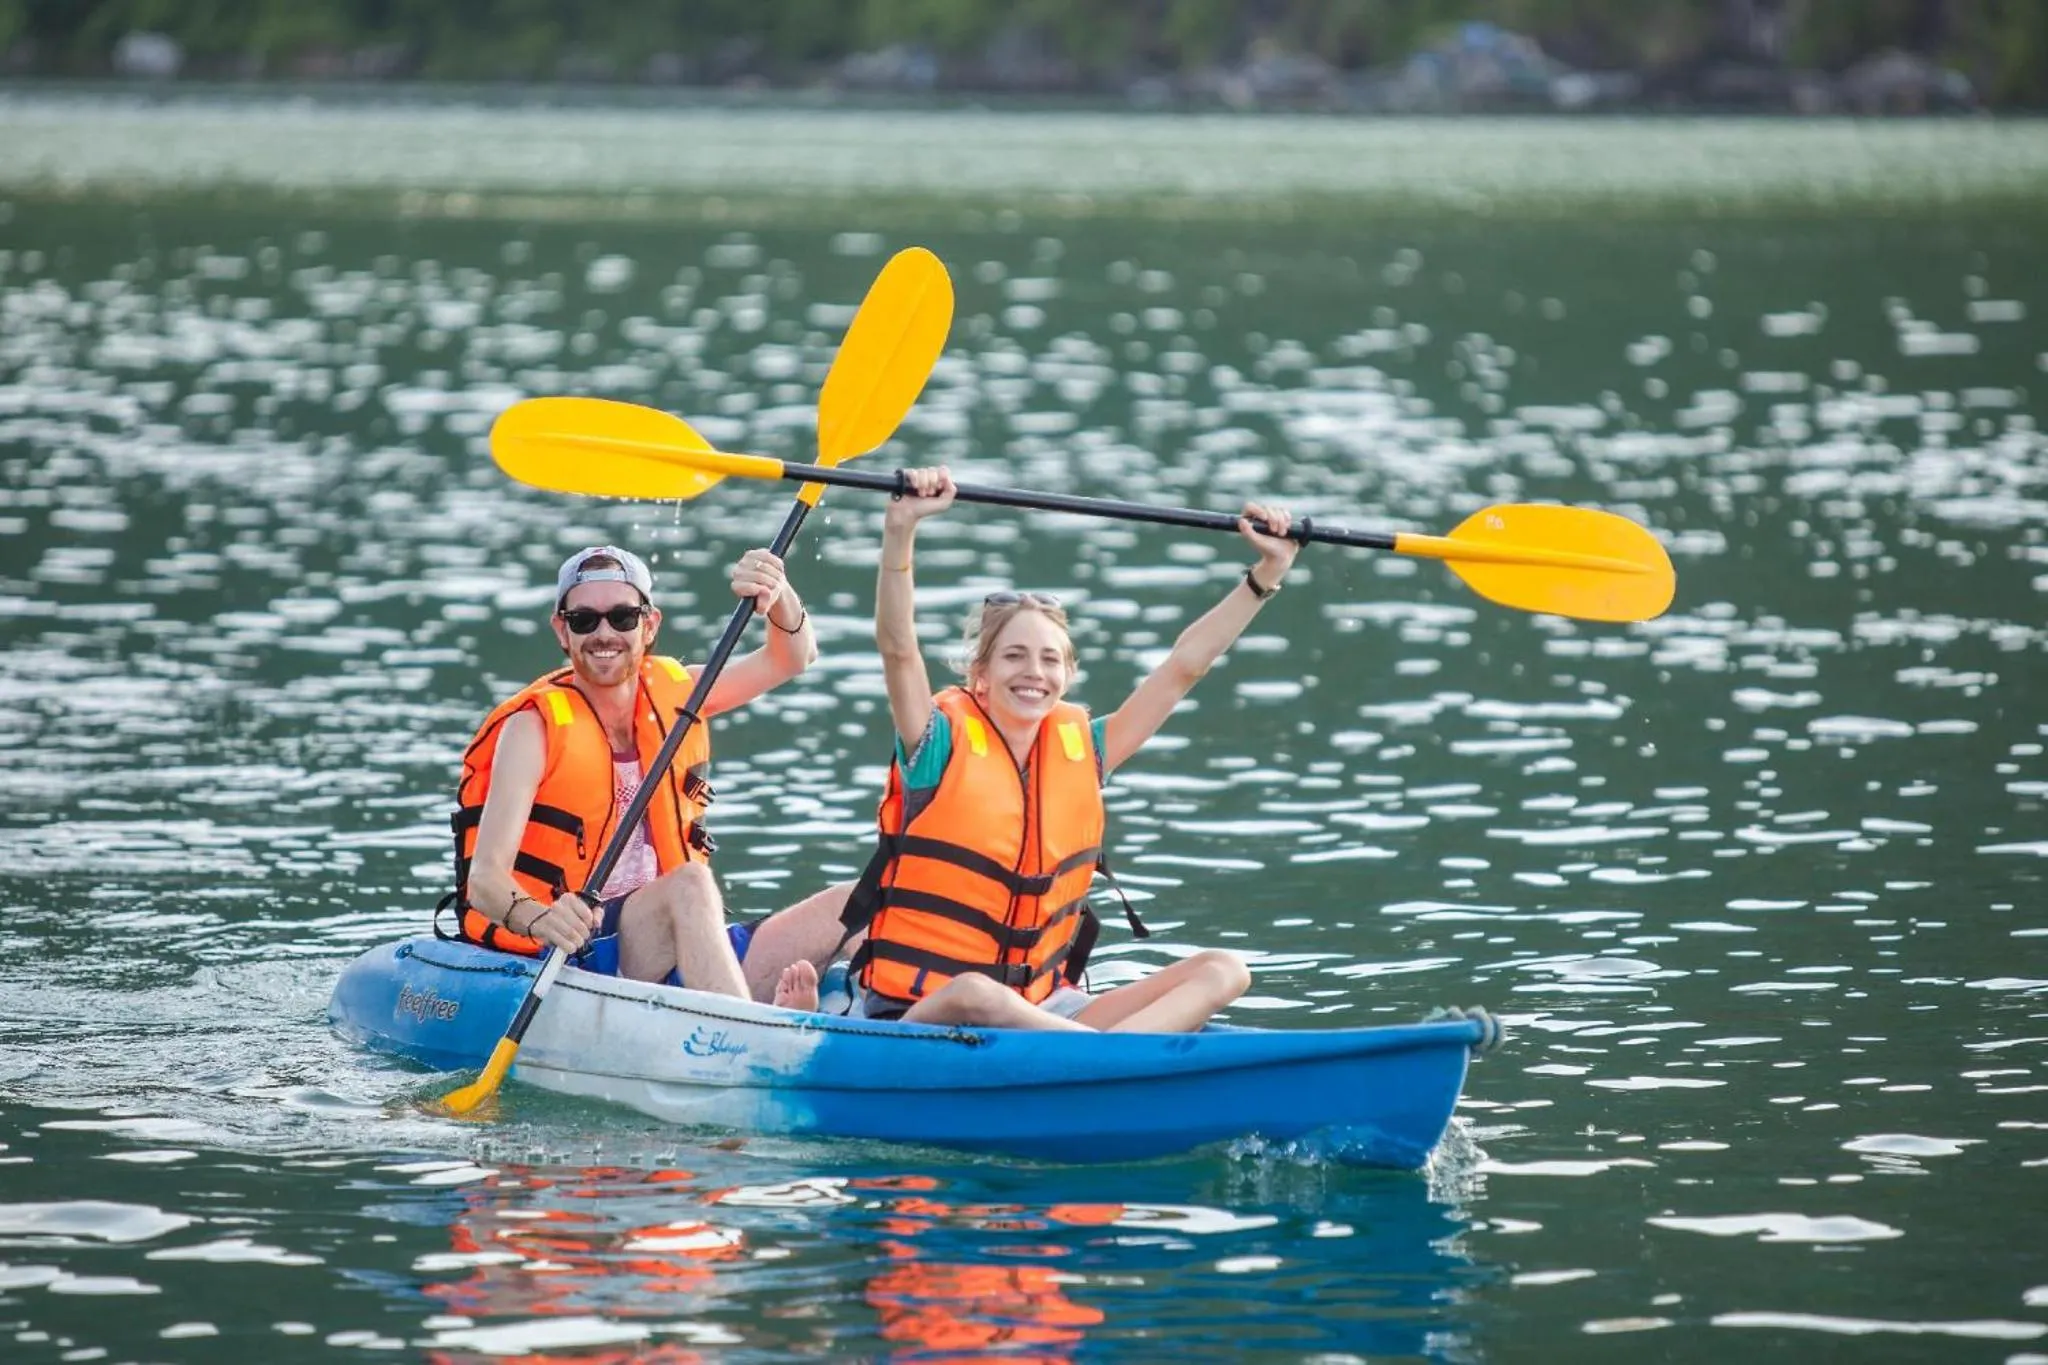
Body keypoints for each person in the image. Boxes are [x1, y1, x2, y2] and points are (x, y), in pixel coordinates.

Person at [842, 468, 1293, 1030]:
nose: (1034, 672)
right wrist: (901, 529)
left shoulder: (1088, 749)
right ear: (980, 674)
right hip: (925, 1010)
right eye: (1014, 656)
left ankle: (1105, 1057)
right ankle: (1112, 1059)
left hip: (1047, 1007)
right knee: (978, 994)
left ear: (1067, 674)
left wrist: (1267, 573)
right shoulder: (936, 743)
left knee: (1225, 970)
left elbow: (1184, 668)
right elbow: (898, 649)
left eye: (1050, 659)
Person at [446, 544, 847, 1009]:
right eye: (584, 620)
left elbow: (794, 655)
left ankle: (887, 1025)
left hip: (680, 935)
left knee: (855, 902)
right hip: (582, 952)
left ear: (650, 624)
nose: (604, 634)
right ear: (562, 630)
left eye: (622, 617)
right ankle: (754, 1030)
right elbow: (486, 879)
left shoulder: (683, 695)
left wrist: (776, 591)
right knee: (690, 883)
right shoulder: (532, 729)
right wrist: (538, 919)